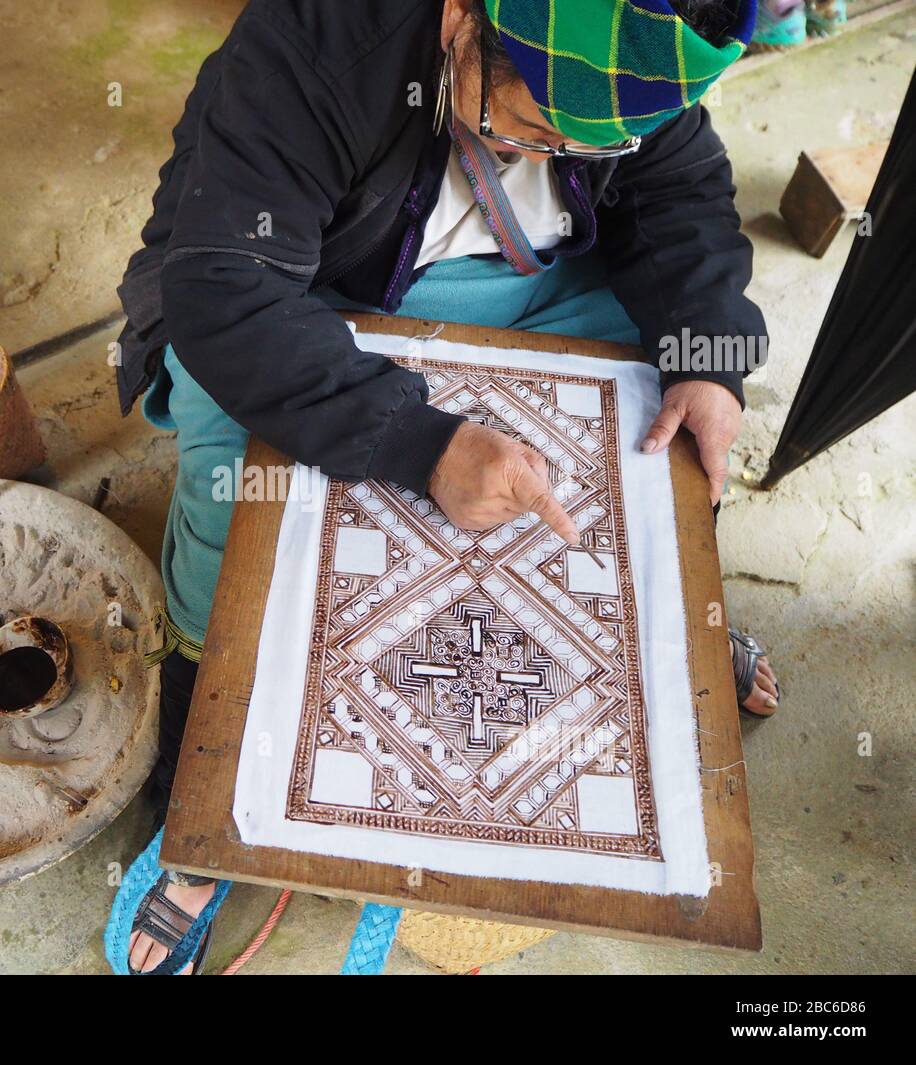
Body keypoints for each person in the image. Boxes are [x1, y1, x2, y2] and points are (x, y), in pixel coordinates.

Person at [112, 0, 779, 975]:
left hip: (542, 281)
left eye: (590, 145)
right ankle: (198, 781)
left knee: (655, 451)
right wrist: (419, 442)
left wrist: (706, 355)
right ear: (461, 17)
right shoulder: (315, 43)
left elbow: (680, 195)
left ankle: (668, 653)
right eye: (535, 127)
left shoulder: (643, 37)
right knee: (233, 506)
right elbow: (229, 288)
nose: (552, 154)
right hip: (314, 295)